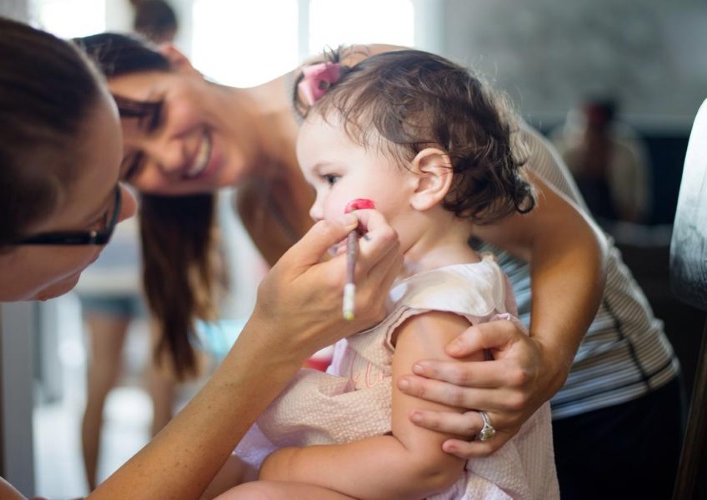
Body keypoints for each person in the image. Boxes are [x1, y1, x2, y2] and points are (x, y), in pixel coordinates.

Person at [78, 33, 683, 500]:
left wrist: (544, 365)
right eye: (136, 165)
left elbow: (572, 237)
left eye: (154, 117)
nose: (172, 156)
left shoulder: (367, 91)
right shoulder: (256, 211)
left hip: (596, 392)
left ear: (176, 60)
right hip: (440, 430)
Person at [0, 9, 402, 499]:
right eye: (98, 208)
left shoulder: (360, 89)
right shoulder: (259, 210)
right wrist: (269, 346)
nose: (127, 209)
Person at [213, 48, 558, 499]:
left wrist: (278, 466)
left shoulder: (438, 309)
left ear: (428, 180)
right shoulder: (409, 285)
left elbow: (425, 467)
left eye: (331, 178)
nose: (317, 208)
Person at [77, 1, 182, 489]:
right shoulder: (166, 100)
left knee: (99, 382)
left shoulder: (98, 85)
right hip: (157, 263)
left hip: (101, 259)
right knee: (161, 386)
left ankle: (90, 491)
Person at [549, 98, 652, 225]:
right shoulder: (564, 153)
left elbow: (636, 210)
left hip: (618, 230)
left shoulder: (626, 156)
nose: (594, 136)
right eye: (590, 127)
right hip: (573, 226)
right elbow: (553, 204)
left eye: (599, 129)